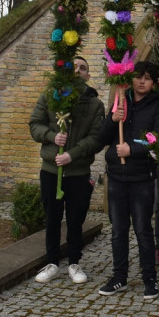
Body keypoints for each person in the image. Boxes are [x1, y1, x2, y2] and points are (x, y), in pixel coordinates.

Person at [97, 61, 159, 300]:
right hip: (116, 177)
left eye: (147, 78)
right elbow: (102, 138)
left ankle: (149, 278)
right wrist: (113, 119)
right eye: (139, 76)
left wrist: (133, 150)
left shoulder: (158, 108)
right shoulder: (121, 101)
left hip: (142, 178)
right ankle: (119, 276)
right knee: (118, 230)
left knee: (142, 229)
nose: (142, 81)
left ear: (154, 83)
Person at [30, 56, 105, 286]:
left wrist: (72, 154)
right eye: (74, 66)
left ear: (88, 75)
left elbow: (96, 137)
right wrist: (53, 137)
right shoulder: (49, 95)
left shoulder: (94, 104)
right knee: (52, 217)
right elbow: (35, 124)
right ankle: (52, 262)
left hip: (78, 173)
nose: (77, 70)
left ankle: (74, 262)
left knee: (75, 219)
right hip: (51, 171)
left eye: (83, 68)